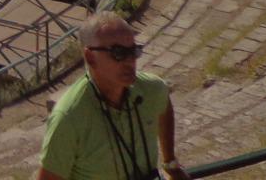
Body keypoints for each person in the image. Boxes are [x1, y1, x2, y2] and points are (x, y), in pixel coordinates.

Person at [36, 12, 188, 180]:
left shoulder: (152, 89)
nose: (130, 61)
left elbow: (164, 106)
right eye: (118, 53)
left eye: (133, 51)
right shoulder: (68, 118)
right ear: (90, 57)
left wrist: (170, 162)